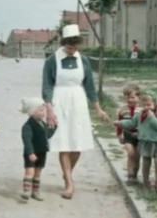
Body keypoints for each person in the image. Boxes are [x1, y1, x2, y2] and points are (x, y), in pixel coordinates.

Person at [41, 24, 109, 199]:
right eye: (69, 47)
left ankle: (67, 173)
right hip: (59, 100)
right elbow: (47, 86)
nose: (72, 50)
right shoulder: (52, 60)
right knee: (64, 143)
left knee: (77, 145)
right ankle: (70, 182)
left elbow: (90, 87)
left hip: (78, 101)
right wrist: (49, 108)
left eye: (75, 47)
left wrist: (99, 109)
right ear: (63, 44)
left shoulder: (83, 60)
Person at [115, 90, 157, 193]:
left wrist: (152, 117)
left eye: (149, 105)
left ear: (156, 103)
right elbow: (132, 122)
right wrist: (121, 123)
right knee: (146, 162)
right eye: (144, 105)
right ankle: (146, 182)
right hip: (146, 141)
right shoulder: (140, 114)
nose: (147, 107)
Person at [19, 97, 56, 202]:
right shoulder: (27, 126)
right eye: (40, 110)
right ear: (32, 112)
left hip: (42, 152)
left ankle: (35, 192)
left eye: (44, 109)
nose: (43, 112)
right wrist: (30, 153)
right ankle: (26, 191)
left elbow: (47, 135)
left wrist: (54, 126)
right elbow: (27, 141)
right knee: (30, 172)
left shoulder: (42, 123)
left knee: (38, 172)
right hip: (31, 153)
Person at [114, 84, 142, 185]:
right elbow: (119, 123)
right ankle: (130, 174)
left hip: (139, 135)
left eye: (132, 97)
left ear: (139, 98)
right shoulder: (122, 109)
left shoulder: (142, 110)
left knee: (137, 156)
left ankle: (135, 175)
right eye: (127, 97)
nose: (130, 100)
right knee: (131, 154)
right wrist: (119, 134)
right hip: (128, 134)